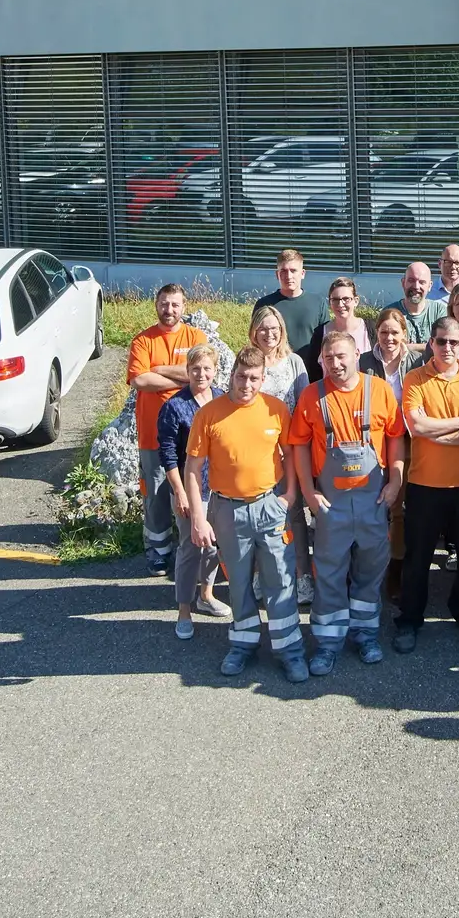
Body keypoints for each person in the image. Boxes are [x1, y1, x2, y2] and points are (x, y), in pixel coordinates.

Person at [183, 347, 306, 684]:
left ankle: (289, 650)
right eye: (241, 376)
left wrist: (290, 495)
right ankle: (243, 644)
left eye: (254, 378)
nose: (246, 384)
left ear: (263, 379)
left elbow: (291, 452)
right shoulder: (209, 414)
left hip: (270, 506)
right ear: (231, 375)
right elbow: (192, 468)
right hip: (227, 510)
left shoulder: (275, 409)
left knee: (280, 580)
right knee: (237, 581)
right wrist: (198, 516)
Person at [288, 330, 405, 674]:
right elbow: (298, 446)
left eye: (342, 356)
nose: (336, 364)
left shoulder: (380, 391)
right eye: (329, 358)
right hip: (331, 505)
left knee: (370, 570)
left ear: (357, 355)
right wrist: (309, 493)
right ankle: (327, 642)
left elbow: (397, 438)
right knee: (329, 572)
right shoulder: (312, 396)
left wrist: (396, 480)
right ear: (321, 361)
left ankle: (366, 633)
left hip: (373, 502)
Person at [394, 316, 459, 652]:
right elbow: (417, 426)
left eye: (453, 342)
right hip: (425, 484)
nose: (447, 348)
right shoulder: (415, 378)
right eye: (440, 342)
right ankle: (409, 619)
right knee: (417, 556)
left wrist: (444, 433)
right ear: (431, 343)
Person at [127, 282, 209, 577]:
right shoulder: (143, 341)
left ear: (183, 307)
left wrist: (159, 368)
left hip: (192, 433)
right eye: (164, 303)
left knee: (196, 492)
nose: (169, 309)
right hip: (152, 433)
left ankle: (193, 548)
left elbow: (204, 370)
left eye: (175, 304)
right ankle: (159, 551)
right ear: (156, 305)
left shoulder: (195, 336)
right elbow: (140, 381)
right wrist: (185, 377)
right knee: (158, 494)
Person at [156, 343, 227, 638]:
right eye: (195, 368)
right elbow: (168, 455)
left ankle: (206, 595)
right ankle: (184, 610)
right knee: (189, 548)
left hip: (220, 489)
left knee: (212, 546)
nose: (201, 374)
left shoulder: (223, 399)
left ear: (215, 371)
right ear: (187, 371)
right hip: (190, 489)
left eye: (207, 368)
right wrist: (180, 492)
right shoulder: (174, 406)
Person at [246, 304, 313, 600]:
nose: (269, 333)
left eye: (274, 328)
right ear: (253, 331)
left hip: (289, 447)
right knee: (257, 514)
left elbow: (305, 403)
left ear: (282, 330)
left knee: (293, 514)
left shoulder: (294, 361)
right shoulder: (248, 361)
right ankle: (262, 575)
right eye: (263, 327)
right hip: (255, 449)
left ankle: (302, 577)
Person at [252, 249, 327, 356]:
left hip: (311, 369)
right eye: (283, 271)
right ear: (277, 274)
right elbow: (255, 340)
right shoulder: (264, 305)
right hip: (276, 367)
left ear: (302, 273)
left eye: (293, 270)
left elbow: (325, 340)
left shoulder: (318, 303)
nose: (288, 276)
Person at [301, 276, 372, 376]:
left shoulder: (370, 330)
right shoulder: (320, 333)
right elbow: (313, 372)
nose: (340, 304)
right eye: (335, 299)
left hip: (365, 390)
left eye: (346, 299)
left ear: (356, 301)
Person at [388, 262, 442, 345]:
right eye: (411, 280)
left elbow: (444, 346)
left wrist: (407, 347)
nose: (416, 286)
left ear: (430, 286)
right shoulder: (390, 313)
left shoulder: (439, 312)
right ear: (403, 283)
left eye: (422, 282)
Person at [361, 306, 417, 385]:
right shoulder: (363, 362)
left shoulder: (417, 362)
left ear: (404, 334)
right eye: (384, 332)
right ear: (377, 333)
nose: (389, 338)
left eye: (395, 333)